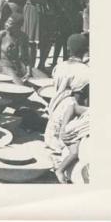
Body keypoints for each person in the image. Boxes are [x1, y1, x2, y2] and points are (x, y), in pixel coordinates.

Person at [44, 33, 89, 178]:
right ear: (86, 50)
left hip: (55, 110)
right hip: (68, 114)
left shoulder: (60, 66)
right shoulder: (85, 72)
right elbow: (78, 99)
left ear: (68, 49)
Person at [0, 13, 47, 85]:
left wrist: (29, 72)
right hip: (5, 66)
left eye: (10, 23)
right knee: (20, 85)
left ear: (18, 26)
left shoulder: (24, 37)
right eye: (7, 21)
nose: (6, 24)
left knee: (45, 79)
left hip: (20, 66)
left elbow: (26, 58)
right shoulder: (2, 34)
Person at [55, 86, 89, 183]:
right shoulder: (89, 110)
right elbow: (72, 107)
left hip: (78, 129)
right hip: (73, 130)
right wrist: (63, 129)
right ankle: (59, 171)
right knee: (74, 152)